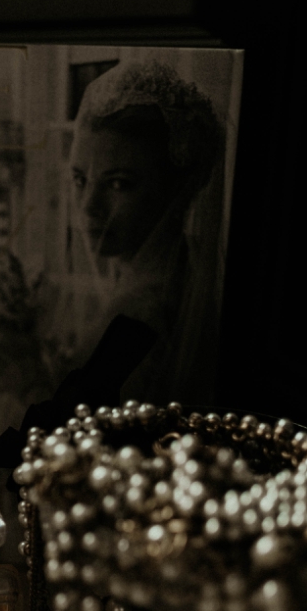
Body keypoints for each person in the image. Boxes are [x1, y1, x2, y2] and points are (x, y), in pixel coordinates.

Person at [65, 59, 226, 404]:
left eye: (118, 184)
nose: (88, 207)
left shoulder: (140, 313)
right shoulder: (185, 267)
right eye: (80, 180)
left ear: (175, 191)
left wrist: (21, 372)